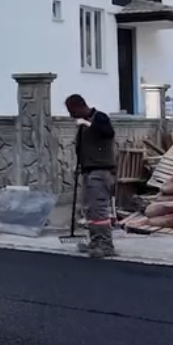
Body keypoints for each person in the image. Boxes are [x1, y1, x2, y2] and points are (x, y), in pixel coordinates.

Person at [65, 93, 116, 258]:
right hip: (88, 170)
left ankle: (106, 245)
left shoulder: (99, 117)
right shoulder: (82, 126)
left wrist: (87, 124)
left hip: (100, 170)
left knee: (99, 208)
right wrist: (79, 166)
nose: (71, 115)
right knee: (90, 209)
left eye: (72, 110)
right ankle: (95, 242)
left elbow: (108, 133)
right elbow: (82, 148)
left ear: (80, 107)